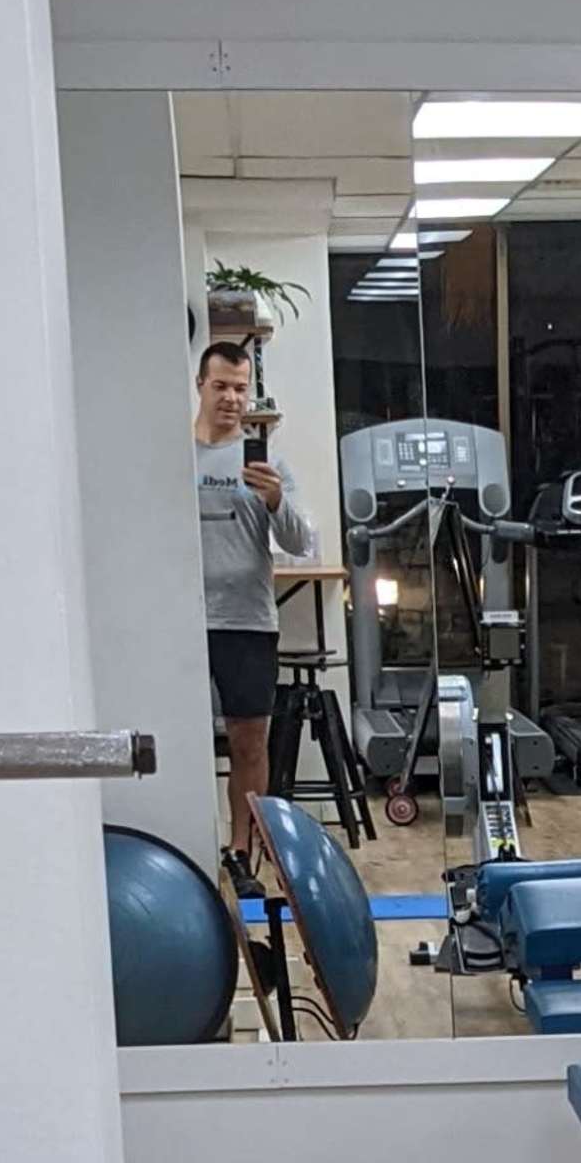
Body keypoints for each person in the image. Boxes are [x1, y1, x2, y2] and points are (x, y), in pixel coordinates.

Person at [194, 335, 317, 870]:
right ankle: (189, 840)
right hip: (181, 622)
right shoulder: (174, 457)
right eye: (220, 385)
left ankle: (243, 852)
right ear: (201, 386)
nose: (231, 398)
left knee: (249, 742)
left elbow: (301, 544)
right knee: (177, 735)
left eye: (240, 389)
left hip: (246, 620)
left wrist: (274, 499)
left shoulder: (269, 465)